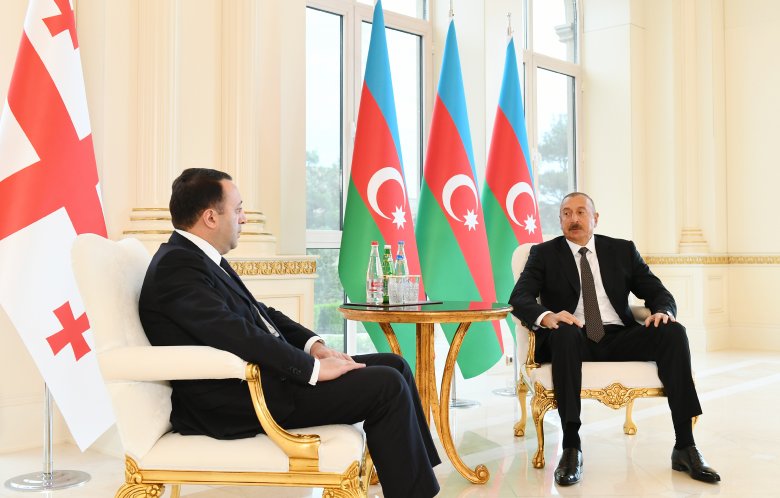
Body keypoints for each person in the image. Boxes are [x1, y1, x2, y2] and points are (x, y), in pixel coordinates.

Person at [139, 168, 440, 498]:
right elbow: (237, 335)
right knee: (387, 384)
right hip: (240, 399)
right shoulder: (177, 267)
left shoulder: (198, 258)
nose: (244, 218)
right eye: (238, 210)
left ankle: (418, 485)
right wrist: (312, 370)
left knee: (395, 364)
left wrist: (314, 347)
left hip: (265, 382)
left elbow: (262, 314)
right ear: (211, 217)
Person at [509, 192, 720, 486]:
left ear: (595, 218)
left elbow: (658, 292)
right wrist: (547, 316)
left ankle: (685, 446)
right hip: (571, 338)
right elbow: (519, 297)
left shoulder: (622, 250)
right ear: (560, 220)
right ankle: (571, 447)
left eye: (581, 212)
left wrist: (663, 311)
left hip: (618, 335)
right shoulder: (544, 254)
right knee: (566, 333)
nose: (573, 219)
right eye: (566, 214)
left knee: (673, 332)